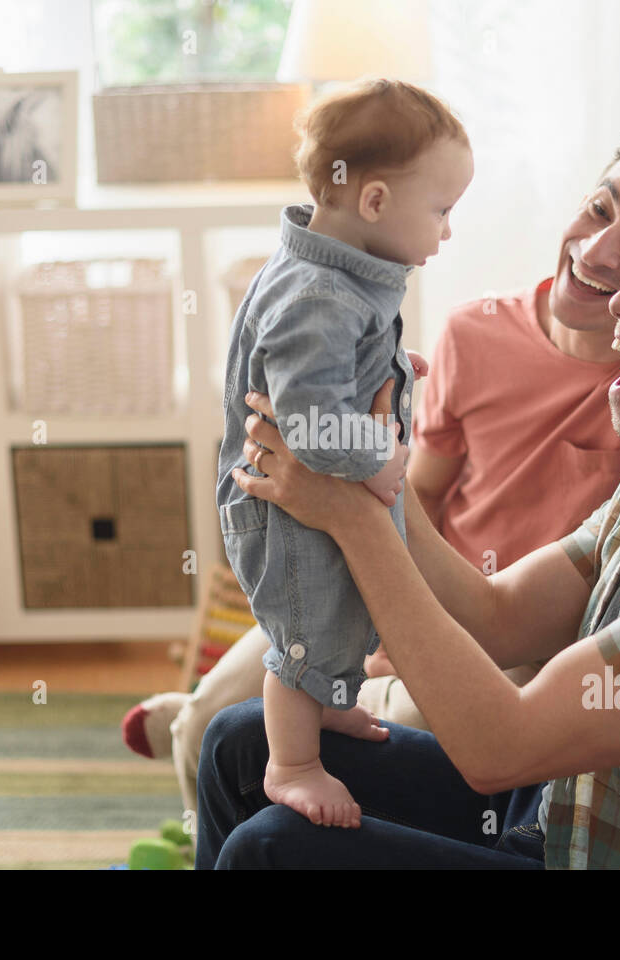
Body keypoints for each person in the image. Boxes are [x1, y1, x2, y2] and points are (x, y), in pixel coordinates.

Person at [197, 177, 620, 868]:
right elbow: (499, 616)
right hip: (562, 818)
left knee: (273, 851)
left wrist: (350, 516)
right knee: (239, 745)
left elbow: (502, 746)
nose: (619, 303)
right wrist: (370, 456)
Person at [123, 123, 620, 823]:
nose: (599, 250)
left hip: (512, 649)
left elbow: (517, 622)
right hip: (396, 571)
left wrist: (396, 615)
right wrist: (374, 586)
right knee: (209, 721)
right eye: (600, 210)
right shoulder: (474, 331)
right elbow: (418, 491)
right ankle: (195, 789)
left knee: (356, 724)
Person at [215, 78, 473, 827]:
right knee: (306, 631)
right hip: (285, 515)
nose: (448, 232)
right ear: (376, 203)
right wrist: (383, 459)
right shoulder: (321, 294)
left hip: (307, 502)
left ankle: (326, 713)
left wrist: (391, 370)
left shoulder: (336, 276)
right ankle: (290, 763)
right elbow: (307, 417)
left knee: (343, 620)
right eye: (442, 210)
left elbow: (330, 372)